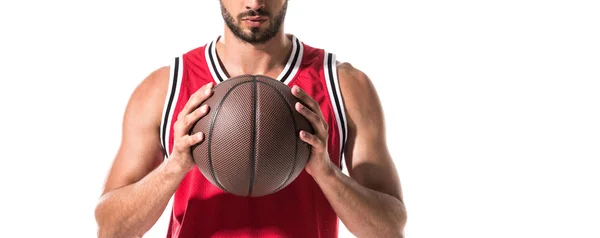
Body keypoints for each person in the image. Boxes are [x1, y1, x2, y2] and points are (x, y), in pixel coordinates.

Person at [94, 0, 407, 237]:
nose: (254, 2)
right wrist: (174, 167)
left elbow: (390, 228)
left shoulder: (343, 85)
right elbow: (110, 228)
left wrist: (326, 173)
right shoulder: (164, 88)